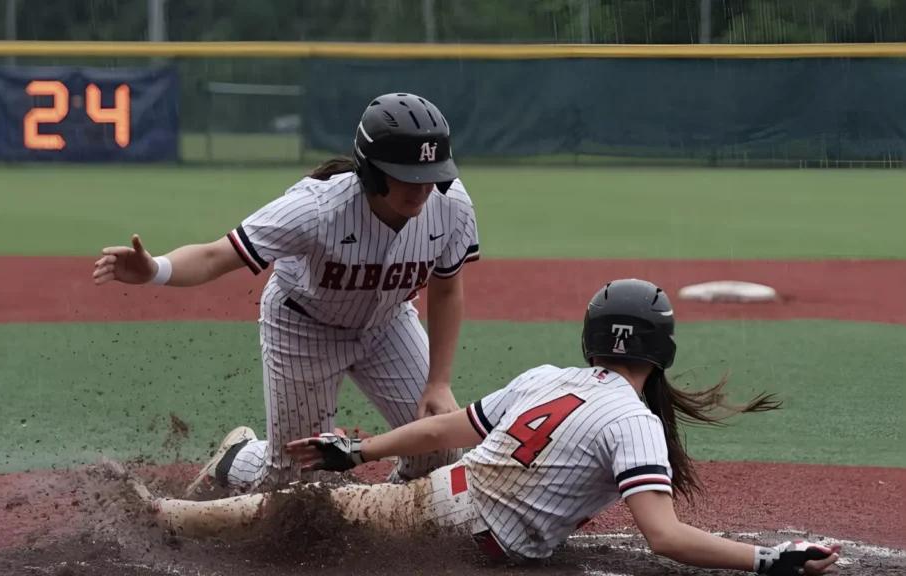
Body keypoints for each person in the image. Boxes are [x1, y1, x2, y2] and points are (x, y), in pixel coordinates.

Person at [273, 278, 842, 573]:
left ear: (592, 339)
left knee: (304, 519)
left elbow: (442, 429)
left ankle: (233, 476)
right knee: (260, 520)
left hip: (446, 505)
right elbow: (665, 538)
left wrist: (359, 450)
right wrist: (768, 560)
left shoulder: (549, 376)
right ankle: (226, 470)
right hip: (453, 522)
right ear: (662, 349)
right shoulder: (633, 420)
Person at [92, 92, 481, 495]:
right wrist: (156, 269)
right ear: (372, 170)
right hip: (304, 328)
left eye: (431, 173)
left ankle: (387, 506)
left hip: (389, 325)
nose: (421, 189)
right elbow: (215, 255)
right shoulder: (316, 209)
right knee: (297, 482)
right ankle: (239, 454)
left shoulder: (449, 205)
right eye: (406, 174)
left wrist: (439, 382)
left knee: (438, 451)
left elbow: (447, 286)